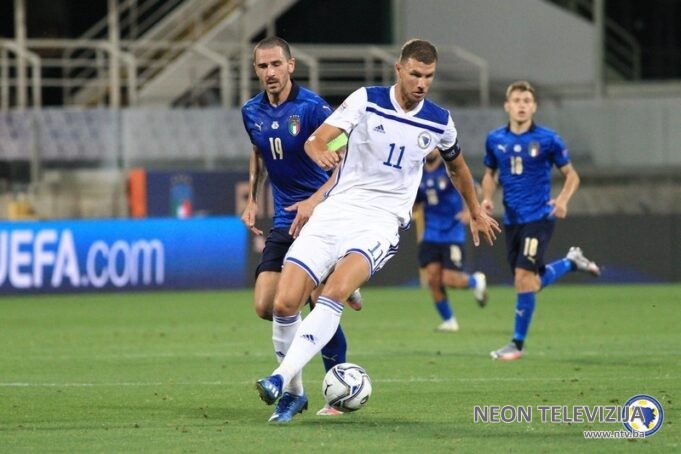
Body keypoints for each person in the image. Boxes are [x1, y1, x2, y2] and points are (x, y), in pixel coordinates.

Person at [254, 38, 500, 421]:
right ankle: (295, 394)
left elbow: (458, 168)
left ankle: (280, 378)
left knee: (333, 292)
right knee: (283, 304)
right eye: (415, 74)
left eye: (429, 76)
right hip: (336, 210)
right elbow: (321, 139)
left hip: (381, 222)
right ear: (399, 70)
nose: (422, 83)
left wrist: (475, 209)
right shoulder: (366, 100)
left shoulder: (439, 121)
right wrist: (320, 151)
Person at [240, 36, 361, 421]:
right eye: (263, 66)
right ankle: (338, 284)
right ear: (256, 70)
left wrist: (315, 200)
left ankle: (322, 391)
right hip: (284, 220)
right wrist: (252, 198)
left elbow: (346, 160)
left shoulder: (313, 109)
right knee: (266, 305)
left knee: (313, 300)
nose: (270, 72)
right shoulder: (251, 111)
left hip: (322, 218)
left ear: (290, 65)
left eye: (276, 64)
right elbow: (258, 153)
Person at [482, 80, 601, 361]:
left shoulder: (549, 139)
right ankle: (571, 262)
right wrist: (486, 198)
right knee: (530, 283)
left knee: (523, 279)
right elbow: (489, 174)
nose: (521, 105)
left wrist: (562, 200)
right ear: (507, 106)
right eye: (517, 100)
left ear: (534, 107)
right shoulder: (495, 139)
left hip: (539, 217)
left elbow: (572, 176)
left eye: (527, 101)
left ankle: (516, 344)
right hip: (512, 220)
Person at [415, 149, 488, 332]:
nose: (430, 149)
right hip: (431, 233)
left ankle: (476, 281)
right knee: (433, 279)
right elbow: (415, 202)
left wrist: (471, 211)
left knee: (450, 279)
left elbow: (475, 188)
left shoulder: (449, 167)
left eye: (433, 146)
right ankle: (449, 321)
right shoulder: (417, 171)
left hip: (452, 233)